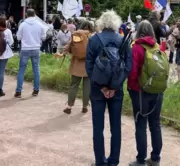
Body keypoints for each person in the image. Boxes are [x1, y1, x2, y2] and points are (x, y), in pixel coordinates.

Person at [85, 10, 132, 166]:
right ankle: (114, 161)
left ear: (101, 23)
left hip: (97, 90)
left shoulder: (93, 40)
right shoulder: (122, 40)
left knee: (98, 127)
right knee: (116, 127)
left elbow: (89, 67)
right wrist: (114, 86)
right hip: (116, 90)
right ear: (116, 23)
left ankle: (100, 161)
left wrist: (101, 86)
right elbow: (128, 66)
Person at [128, 20, 166, 166]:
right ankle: (155, 158)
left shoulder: (137, 47)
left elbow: (132, 73)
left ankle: (141, 159)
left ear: (138, 31)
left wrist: (131, 87)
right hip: (157, 91)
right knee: (155, 124)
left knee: (140, 124)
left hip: (140, 91)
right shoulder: (158, 47)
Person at [62, 20, 93, 114]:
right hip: (89, 65)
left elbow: (68, 48)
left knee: (73, 85)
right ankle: (85, 106)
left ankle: (69, 106)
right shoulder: (92, 36)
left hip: (76, 64)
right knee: (87, 87)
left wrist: (66, 52)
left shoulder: (76, 35)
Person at [14, 8, 45, 98]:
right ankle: (36, 90)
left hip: (25, 48)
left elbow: (18, 37)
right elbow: (43, 37)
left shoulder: (23, 24)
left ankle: (18, 91)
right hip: (36, 48)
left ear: (26, 15)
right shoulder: (40, 24)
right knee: (36, 70)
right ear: (35, 14)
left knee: (21, 70)